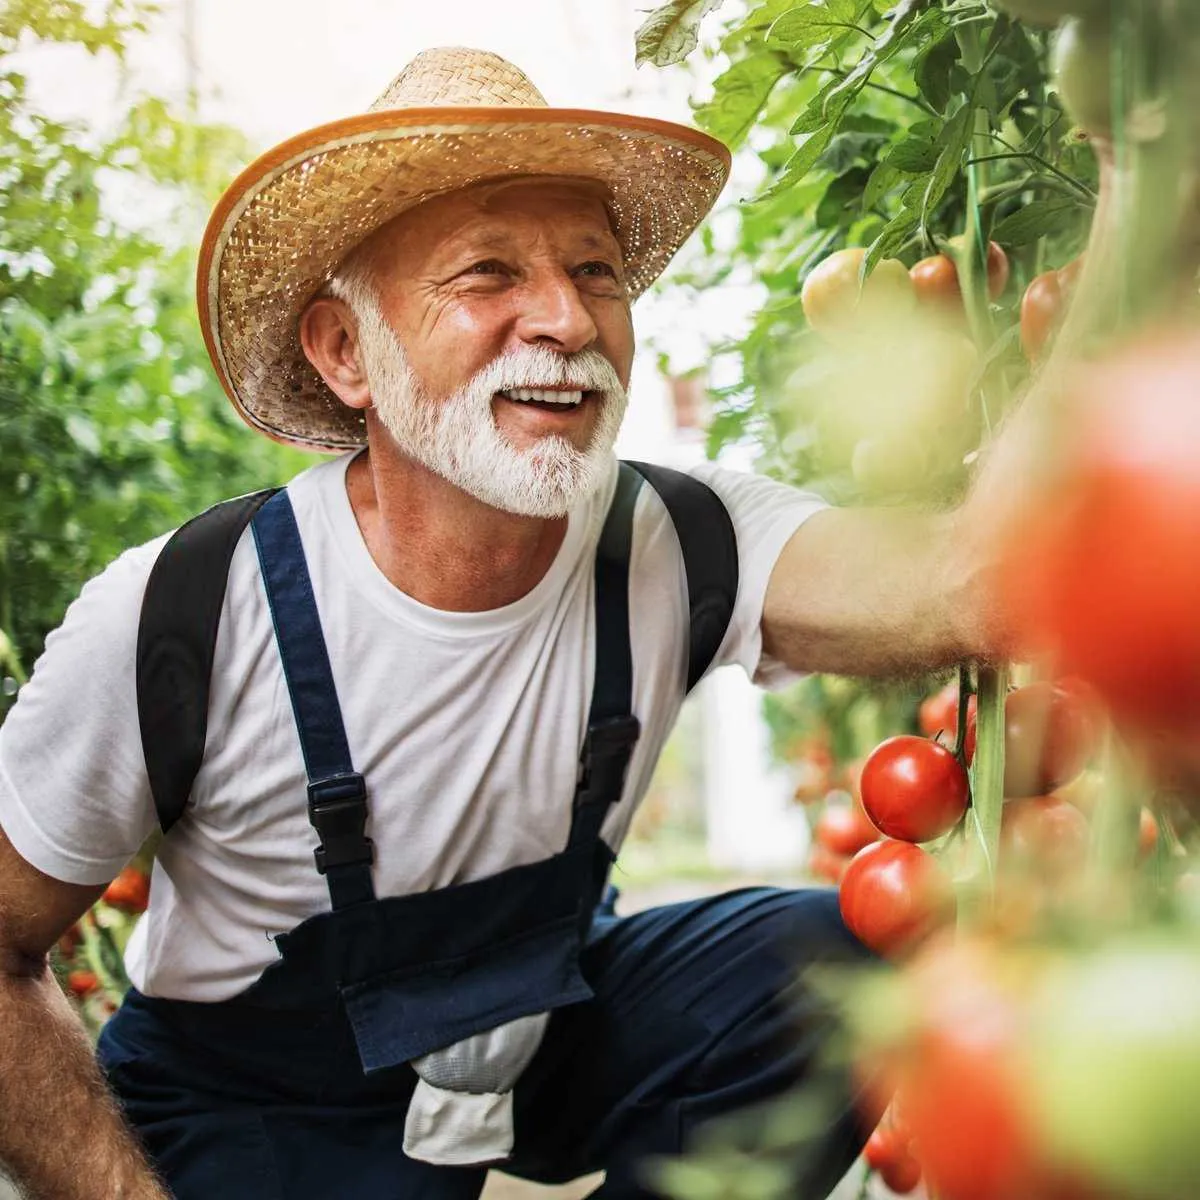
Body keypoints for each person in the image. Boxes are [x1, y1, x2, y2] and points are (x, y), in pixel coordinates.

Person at [0, 47, 1009, 1200]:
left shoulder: (683, 540)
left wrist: (1136, 181)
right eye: (487, 274)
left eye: (597, 268)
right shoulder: (181, 614)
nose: (567, 317)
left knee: (826, 969)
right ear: (345, 353)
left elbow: (967, 582)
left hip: (533, 1040)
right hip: (255, 1106)